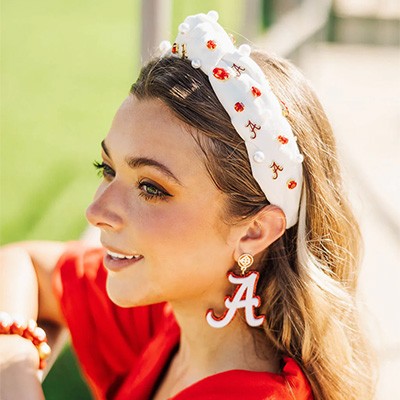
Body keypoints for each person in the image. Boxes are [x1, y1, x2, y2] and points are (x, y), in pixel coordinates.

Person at [0, 11, 376, 400]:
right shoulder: (169, 317)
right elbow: (21, 264)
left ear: (254, 231)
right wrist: (13, 355)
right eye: (108, 169)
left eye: (151, 187)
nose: (96, 211)